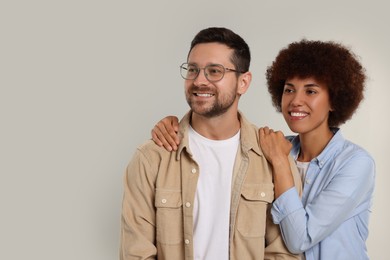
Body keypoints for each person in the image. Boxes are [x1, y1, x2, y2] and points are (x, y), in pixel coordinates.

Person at [151, 39, 376, 260]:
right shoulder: (271, 147)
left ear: (334, 99)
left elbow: (301, 239)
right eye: (289, 90)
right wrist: (175, 125)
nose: (295, 101)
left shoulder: (355, 163)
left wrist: (280, 163)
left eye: (310, 92)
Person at [120, 27, 301, 260]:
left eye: (214, 71)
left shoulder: (273, 156)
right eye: (193, 70)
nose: (199, 81)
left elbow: (284, 253)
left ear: (243, 82)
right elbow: (137, 253)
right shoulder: (152, 158)